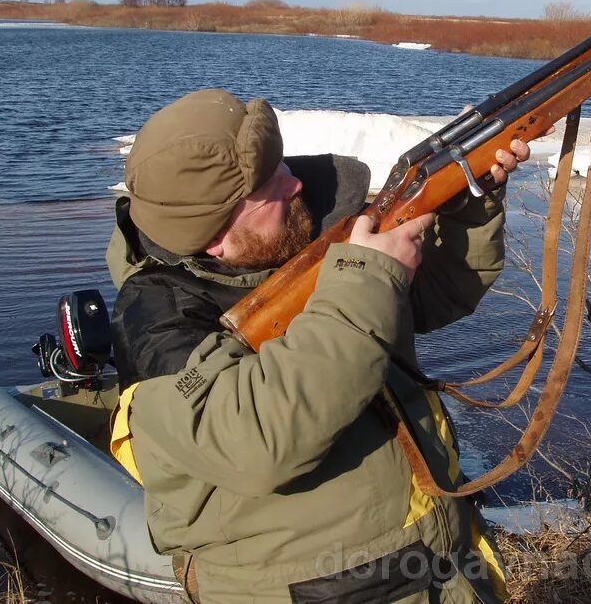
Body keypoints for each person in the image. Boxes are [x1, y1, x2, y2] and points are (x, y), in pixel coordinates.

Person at [105, 88, 530, 603]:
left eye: (280, 165)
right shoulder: (158, 324)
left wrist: (464, 200)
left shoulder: (303, 236)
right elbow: (258, 440)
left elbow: (435, 296)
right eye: (270, 187)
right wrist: (368, 277)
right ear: (217, 238)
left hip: (439, 570)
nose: (295, 183)